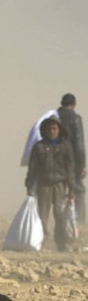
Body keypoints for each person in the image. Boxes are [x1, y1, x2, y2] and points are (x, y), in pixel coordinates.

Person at [25, 116, 76, 251]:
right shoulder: (39, 146)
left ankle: (61, 244)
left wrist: (72, 189)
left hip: (60, 185)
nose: (52, 131)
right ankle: (41, 242)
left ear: (59, 130)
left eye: (54, 128)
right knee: (42, 214)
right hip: (43, 185)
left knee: (59, 214)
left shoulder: (65, 147)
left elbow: (70, 168)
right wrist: (29, 185)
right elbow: (33, 168)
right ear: (44, 130)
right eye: (49, 129)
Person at [57, 93, 86, 226]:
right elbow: (79, 144)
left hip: (54, 160)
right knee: (78, 189)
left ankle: (59, 219)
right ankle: (79, 220)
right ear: (74, 105)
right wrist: (83, 166)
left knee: (58, 189)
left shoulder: (53, 117)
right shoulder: (75, 118)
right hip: (71, 160)